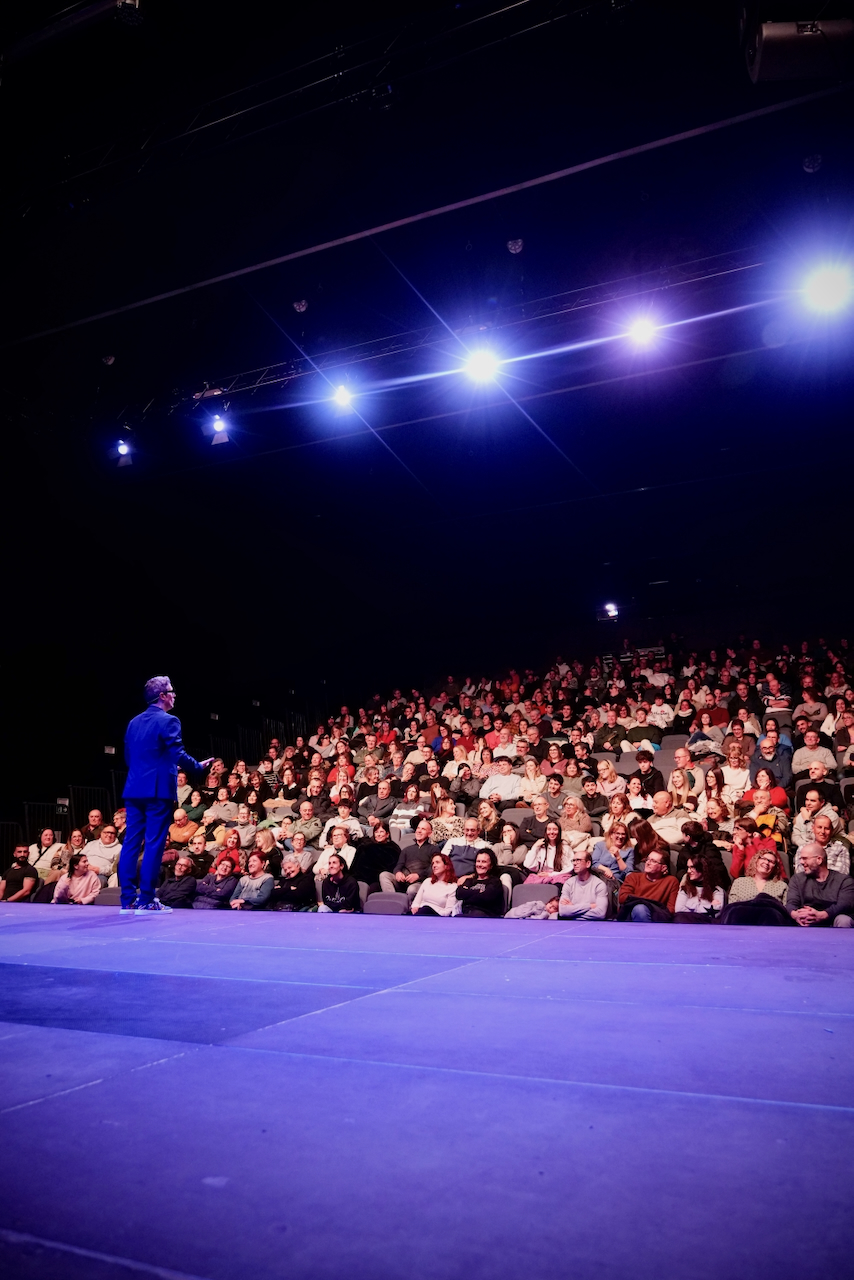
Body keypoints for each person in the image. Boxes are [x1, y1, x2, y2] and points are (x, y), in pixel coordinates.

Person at [119, 675, 212, 914]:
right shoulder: (169, 720)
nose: (174, 695)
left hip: (135, 787)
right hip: (158, 790)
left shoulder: (133, 722)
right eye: (171, 691)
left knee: (130, 843)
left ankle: (128, 900)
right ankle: (147, 900)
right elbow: (178, 753)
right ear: (162, 696)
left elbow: (130, 757)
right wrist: (198, 767)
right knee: (153, 844)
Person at [786, 842, 854, 927]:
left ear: (819, 860)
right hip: (805, 922)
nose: (801, 862)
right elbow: (791, 903)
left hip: (832, 921)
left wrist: (822, 915)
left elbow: (845, 905)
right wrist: (796, 915)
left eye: (805, 858)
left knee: (843, 920)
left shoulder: (844, 880)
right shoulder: (797, 879)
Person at [379, 819, 440, 901]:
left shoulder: (434, 849)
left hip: (421, 882)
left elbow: (434, 868)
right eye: (418, 828)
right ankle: (393, 901)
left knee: (411, 889)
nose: (419, 831)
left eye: (423, 829)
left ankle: (407, 908)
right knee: (384, 875)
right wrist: (398, 872)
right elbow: (398, 865)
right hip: (404, 881)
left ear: (430, 834)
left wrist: (418, 876)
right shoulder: (407, 850)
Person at [617, 849, 679, 921]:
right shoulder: (633, 877)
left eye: (653, 861)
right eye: (648, 859)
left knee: (641, 909)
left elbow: (670, 910)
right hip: (632, 914)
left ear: (663, 868)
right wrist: (647, 903)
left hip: (657, 917)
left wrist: (647, 905)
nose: (648, 863)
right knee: (640, 909)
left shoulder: (671, 881)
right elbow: (623, 898)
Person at [557, 850, 609, 919]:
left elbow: (600, 913)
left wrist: (573, 908)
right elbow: (563, 911)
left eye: (578, 860)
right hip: (571, 924)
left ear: (588, 864)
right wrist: (590, 906)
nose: (575, 863)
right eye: (573, 860)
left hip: (592, 925)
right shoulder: (568, 883)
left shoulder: (599, 885)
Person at [673, 854, 726, 921]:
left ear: (702, 868)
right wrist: (708, 907)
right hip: (687, 925)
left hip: (709, 926)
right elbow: (679, 911)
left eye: (692, 867)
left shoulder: (717, 890)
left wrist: (690, 907)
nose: (688, 871)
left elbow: (716, 914)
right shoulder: (685, 889)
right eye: (688, 867)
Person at [454, 848, 505, 917]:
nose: (480, 865)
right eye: (478, 861)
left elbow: (485, 898)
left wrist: (467, 895)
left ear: (491, 865)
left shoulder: (495, 882)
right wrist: (478, 891)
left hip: (486, 916)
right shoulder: (470, 880)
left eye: (484, 862)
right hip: (468, 913)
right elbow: (459, 893)